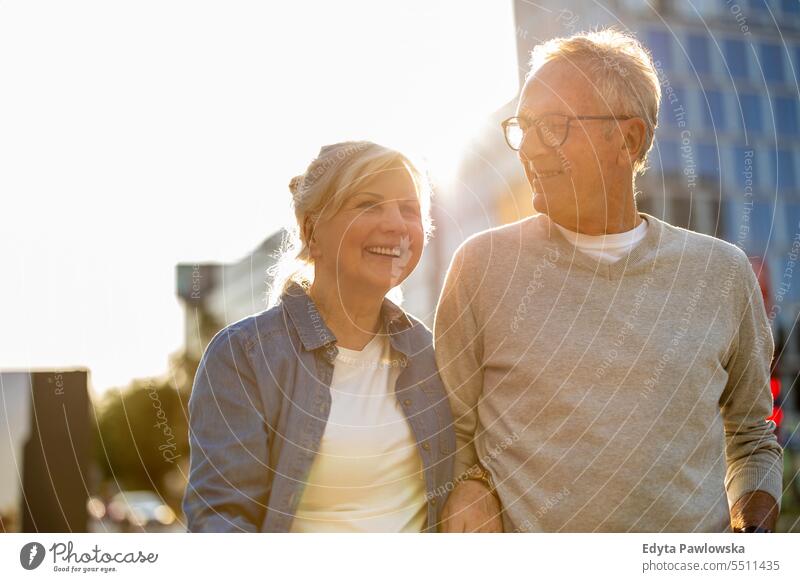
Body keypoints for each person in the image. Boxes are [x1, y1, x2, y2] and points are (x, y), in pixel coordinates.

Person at [434, 29, 783, 533]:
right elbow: (448, 432)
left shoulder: (721, 273)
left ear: (628, 138)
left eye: (552, 127)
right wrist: (469, 484)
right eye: (522, 127)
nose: (528, 148)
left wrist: (755, 533)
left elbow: (752, 435)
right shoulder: (481, 266)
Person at [183, 141, 455, 532]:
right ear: (312, 231)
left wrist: (476, 485)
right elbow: (220, 520)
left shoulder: (434, 353)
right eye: (368, 204)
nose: (396, 224)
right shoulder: (243, 356)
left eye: (409, 209)